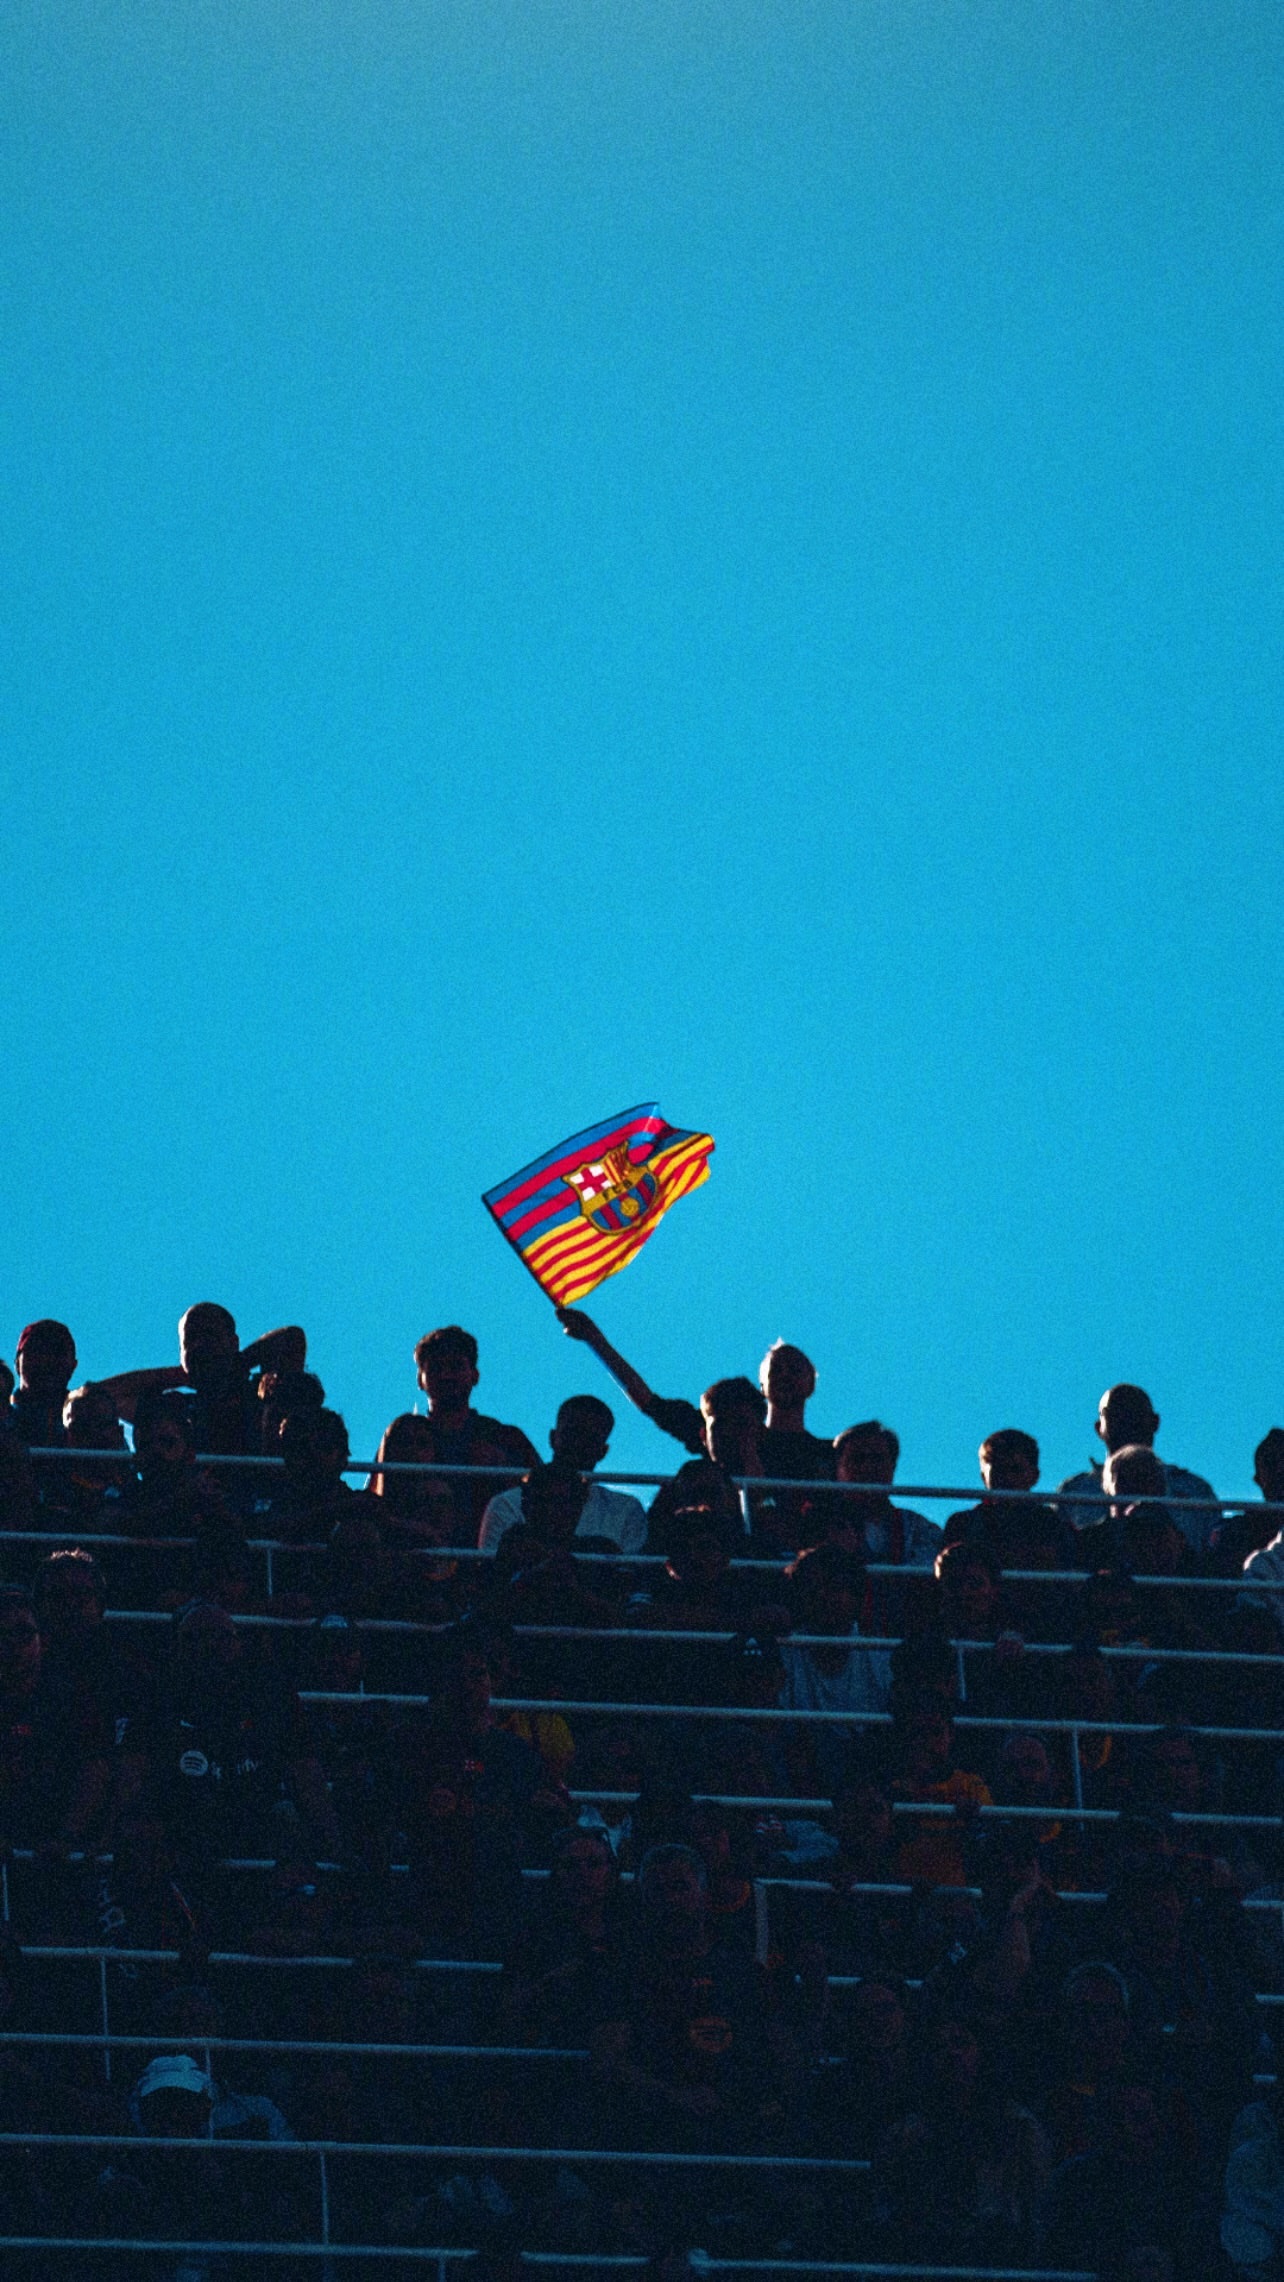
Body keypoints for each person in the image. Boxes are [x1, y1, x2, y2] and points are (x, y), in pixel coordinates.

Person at [386, 1324, 538, 1543]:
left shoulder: (504, 1437)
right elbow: (379, 1500)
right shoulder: (405, 1436)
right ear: (420, 1379)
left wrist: (502, 1470)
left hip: (493, 1553)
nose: (446, 1375)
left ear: (474, 1375)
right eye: (436, 1368)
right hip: (418, 1553)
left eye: (456, 1366)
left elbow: (546, 1498)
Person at [1056, 1384, 1217, 1550]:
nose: (1127, 1421)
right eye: (1115, 1415)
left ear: (1155, 1422)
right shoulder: (1074, 1492)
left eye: (1136, 1413)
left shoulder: (1194, 1490)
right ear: (1099, 1428)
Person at [479, 1394, 647, 1553]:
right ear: (553, 1438)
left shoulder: (627, 1509)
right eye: (572, 1433)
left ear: (603, 1451)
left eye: (590, 1438)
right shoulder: (506, 1504)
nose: (578, 1444)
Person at [555, 1306, 706, 1453]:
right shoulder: (702, 1421)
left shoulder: (713, 1417)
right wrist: (593, 1338)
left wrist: (593, 1337)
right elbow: (648, 1402)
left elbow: (649, 1403)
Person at [8, 1319, 78, 1446]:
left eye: (57, 1352)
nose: (46, 1360)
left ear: (73, 1365)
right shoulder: (5, 1421)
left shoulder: (95, 1424)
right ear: (17, 1363)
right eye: (36, 1351)